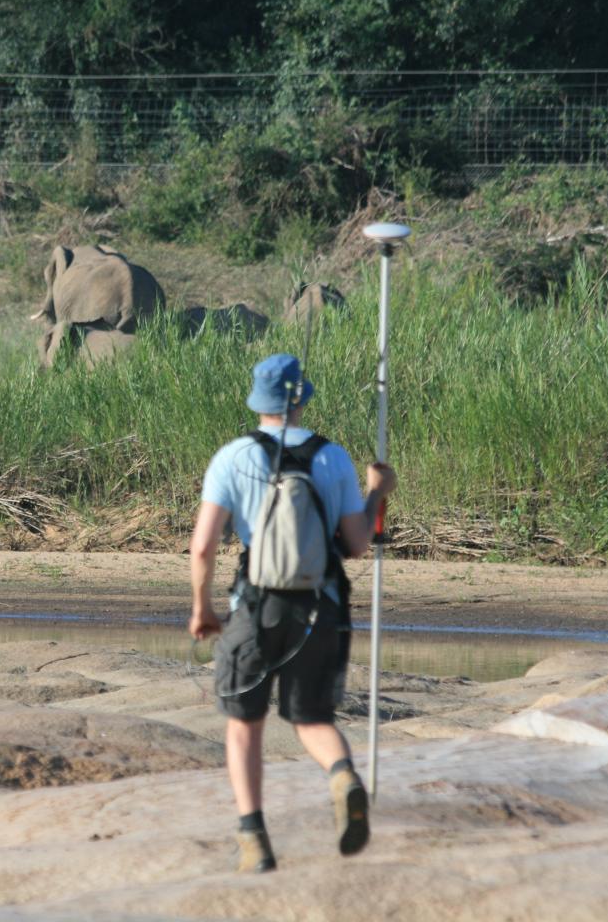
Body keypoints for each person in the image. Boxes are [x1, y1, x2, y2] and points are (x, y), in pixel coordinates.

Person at [188, 352, 397, 873]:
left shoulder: (232, 457)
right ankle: (343, 774)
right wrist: (377, 494)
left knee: (244, 726)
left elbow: (203, 547)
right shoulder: (332, 458)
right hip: (320, 611)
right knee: (312, 719)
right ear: (301, 398)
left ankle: (253, 838)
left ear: (258, 401)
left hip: (254, 611)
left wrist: (202, 608)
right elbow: (354, 545)